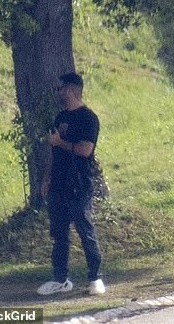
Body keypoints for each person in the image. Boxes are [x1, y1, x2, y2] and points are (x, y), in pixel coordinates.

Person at [37, 72, 105, 296]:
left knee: (84, 229)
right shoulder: (59, 118)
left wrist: (61, 142)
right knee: (58, 233)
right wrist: (46, 179)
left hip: (78, 183)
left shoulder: (88, 118)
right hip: (58, 182)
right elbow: (53, 152)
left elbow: (85, 150)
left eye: (62, 88)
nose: (59, 92)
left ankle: (94, 278)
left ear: (73, 90)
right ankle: (61, 279)